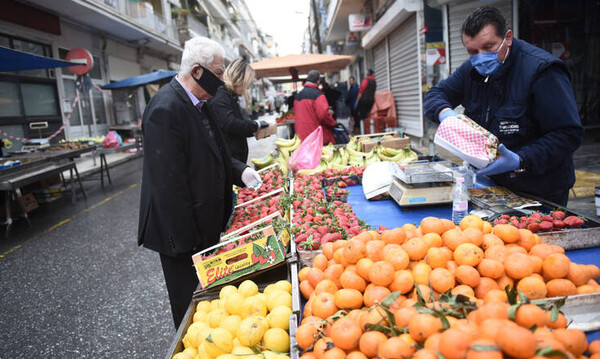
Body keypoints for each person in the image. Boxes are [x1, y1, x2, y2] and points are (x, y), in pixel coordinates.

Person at [137, 36, 262, 329]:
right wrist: (192, 245)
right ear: (196, 71)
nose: (222, 79)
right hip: (181, 235)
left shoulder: (200, 104)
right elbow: (169, 186)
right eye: (218, 72)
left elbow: (217, 152)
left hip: (204, 227)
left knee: (210, 307)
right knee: (191, 311)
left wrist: (240, 171)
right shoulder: (165, 109)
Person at [423, 6, 584, 206]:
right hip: (492, 187)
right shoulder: (472, 68)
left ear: (507, 38)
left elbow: (568, 134)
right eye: (472, 51)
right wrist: (445, 114)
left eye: (489, 47)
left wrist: (520, 159)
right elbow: (435, 95)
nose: (481, 56)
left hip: (541, 190)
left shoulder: (543, 71)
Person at [208, 58, 268, 163]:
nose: (248, 87)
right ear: (239, 79)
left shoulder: (230, 96)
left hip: (235, 160)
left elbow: (237, 127)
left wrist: (255, 130)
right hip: (228, 162)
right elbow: (229, 123)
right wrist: (255, 125)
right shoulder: (220, 95)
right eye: (248, 83)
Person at [293, 70, 337, 145]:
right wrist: (333, 123)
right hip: (315, 137)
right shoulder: (318, 95)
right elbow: (323, 114)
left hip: (301, 137)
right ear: (318, 81)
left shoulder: (297, 96)